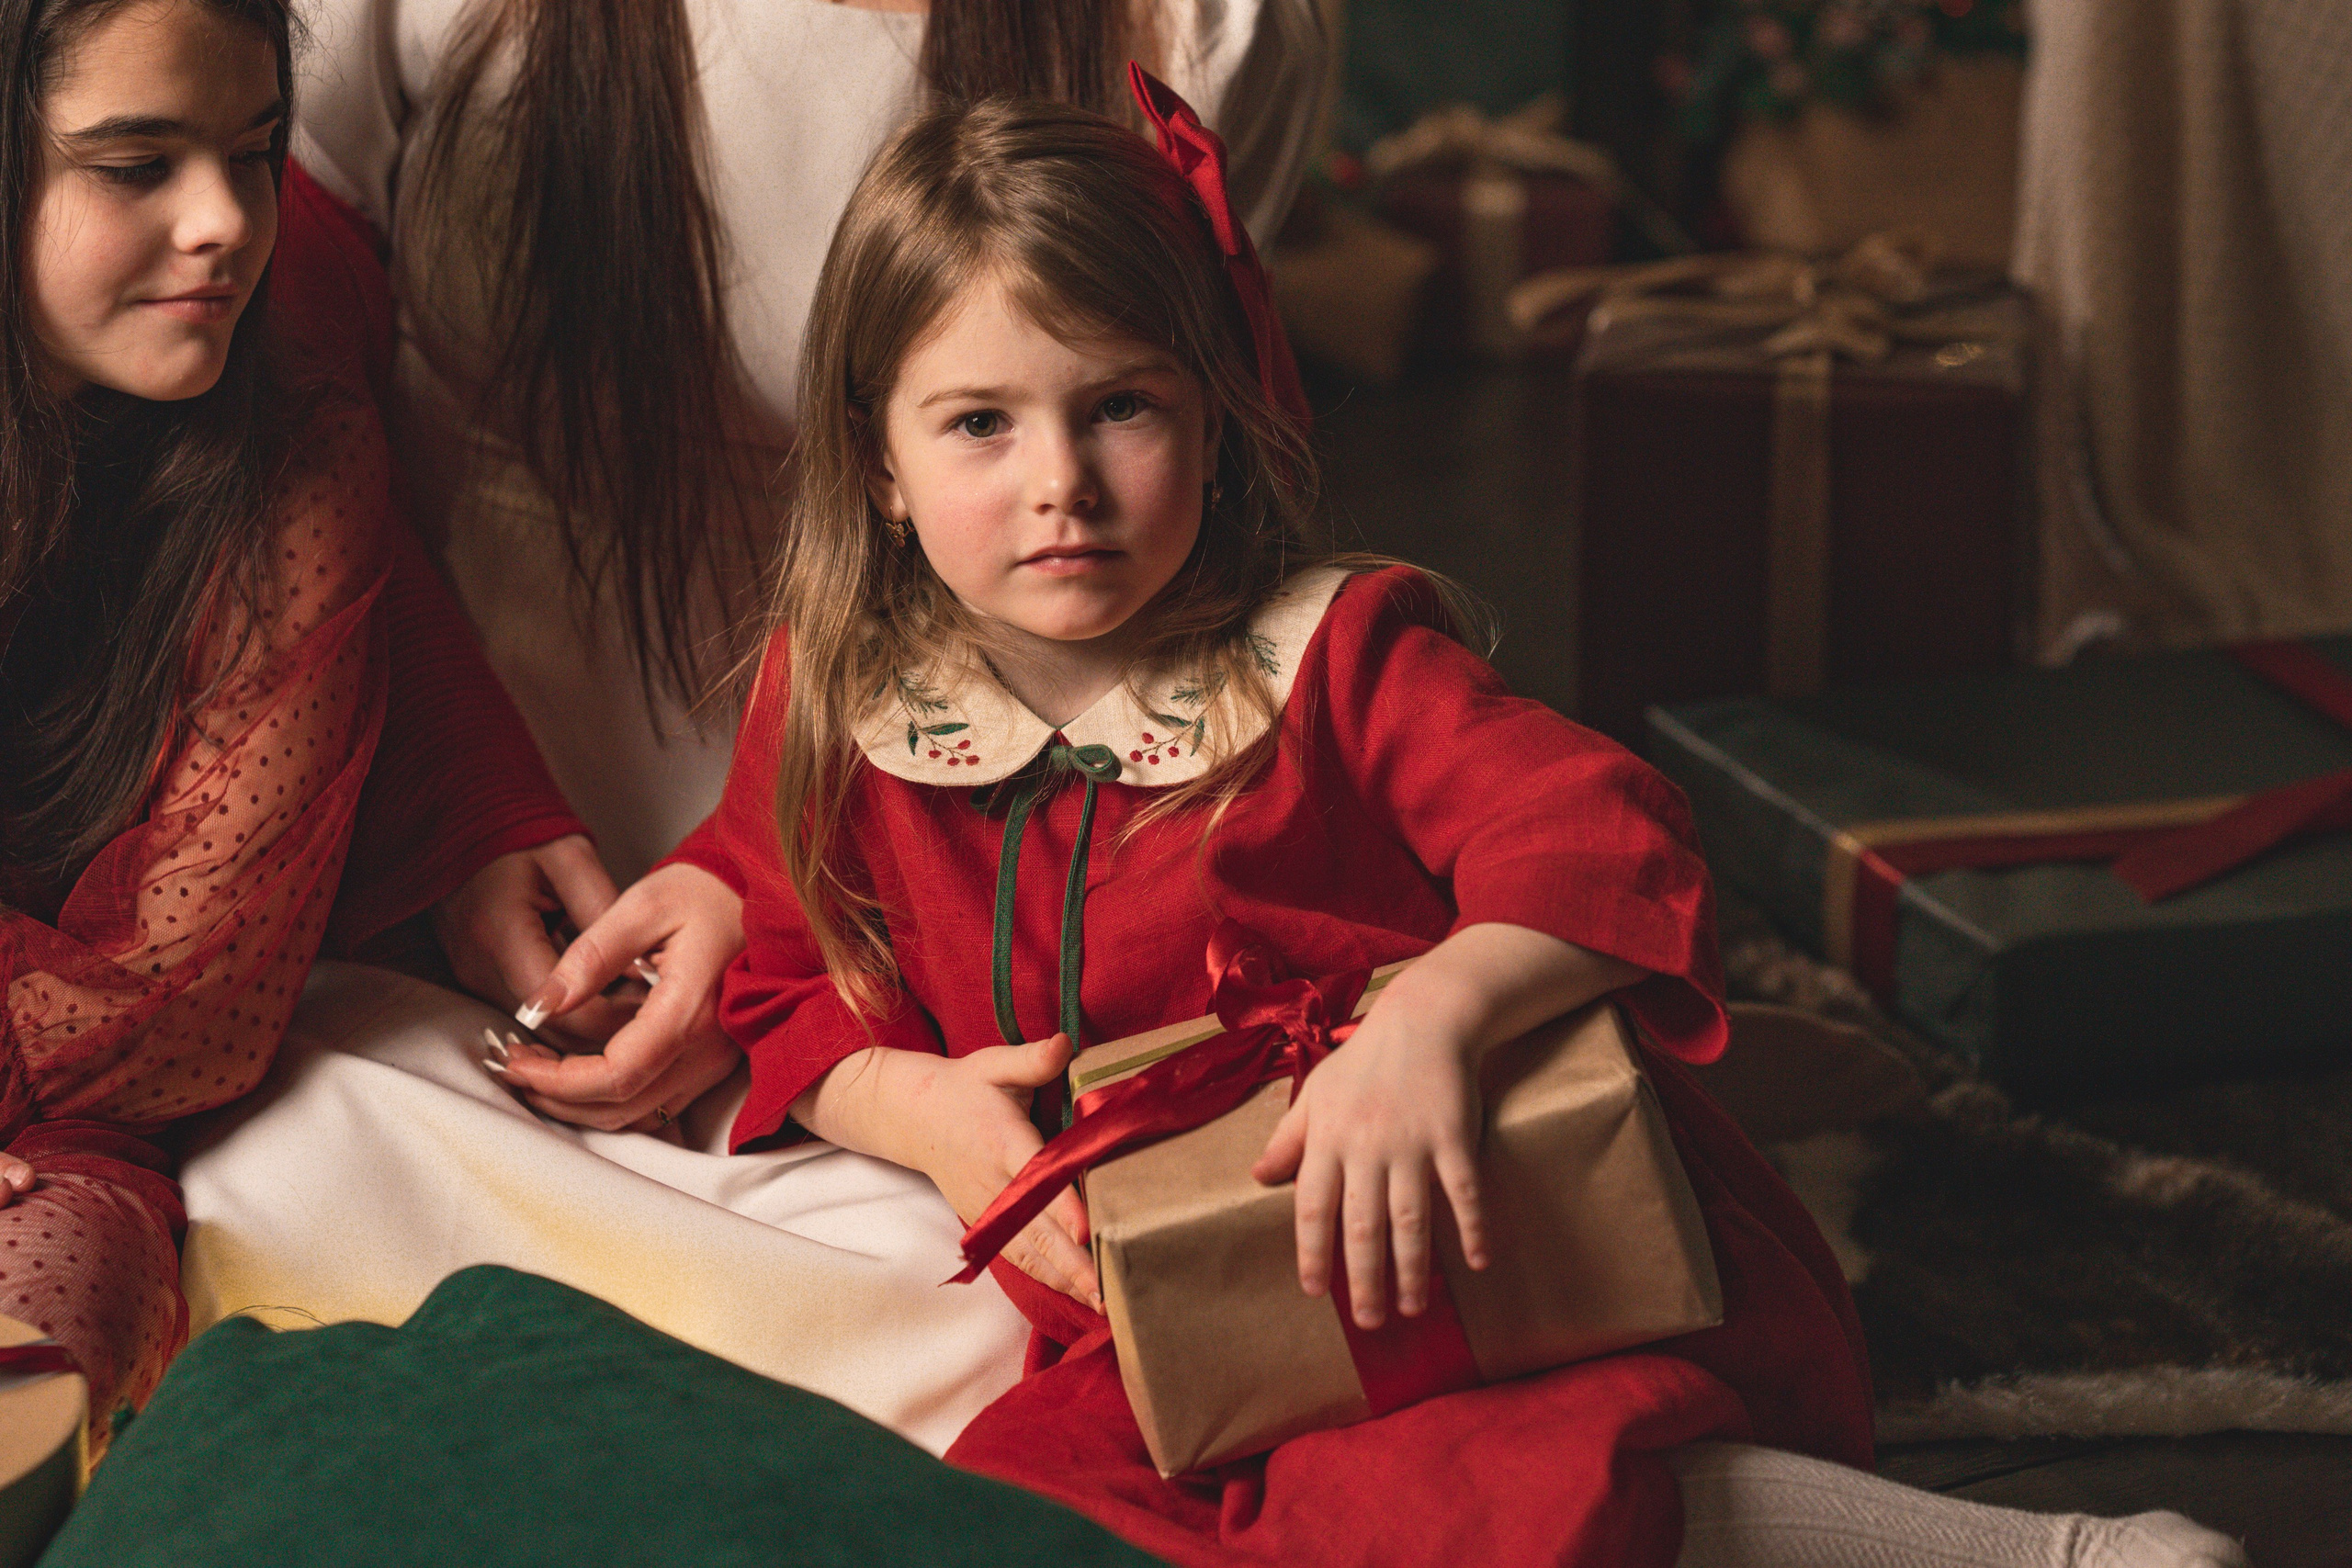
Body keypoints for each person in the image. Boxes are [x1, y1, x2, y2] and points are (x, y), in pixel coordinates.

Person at [695, 82, 2251, 1568]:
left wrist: (1436, 1012)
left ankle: (2055, 1546)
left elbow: (1598, 832)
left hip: (1449, 1226)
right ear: (878, 462)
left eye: (1120, 407)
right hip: (1151, 1298)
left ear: (1219, 418)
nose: (1062, 485)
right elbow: (775, 981)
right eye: (979, 423)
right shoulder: (843, 708)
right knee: (1017, 1514)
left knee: (1475, 1489)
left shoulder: (1336, 656)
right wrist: (918, 1111)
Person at [280, 0, 1329, 1127]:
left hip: (930, 947)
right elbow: (261, 402)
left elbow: (1168, 518)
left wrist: (766, 895)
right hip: (395, 808)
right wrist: (455, 795)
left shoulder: (1210, 27)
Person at [0, 0, 586, 1449]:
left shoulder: (297, 469)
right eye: (135, 165)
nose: (221, 223)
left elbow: (184, 1007)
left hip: (76, 1138)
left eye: (256, 152)